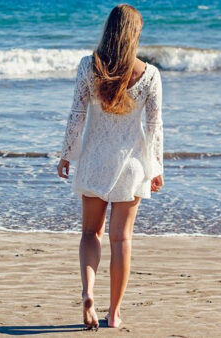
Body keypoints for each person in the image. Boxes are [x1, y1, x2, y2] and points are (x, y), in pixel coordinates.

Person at [56, 4, 164, 330]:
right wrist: (156, 167)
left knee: (90, 233)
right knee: (121, 239)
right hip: (130, 165)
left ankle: (88, 293)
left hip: (93, 161)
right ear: (134, 35)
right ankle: (114, 313)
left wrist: (66, 155)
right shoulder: (149, 75)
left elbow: (77, 115)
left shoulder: (89, 67)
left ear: (109, 30)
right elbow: (155, 126)